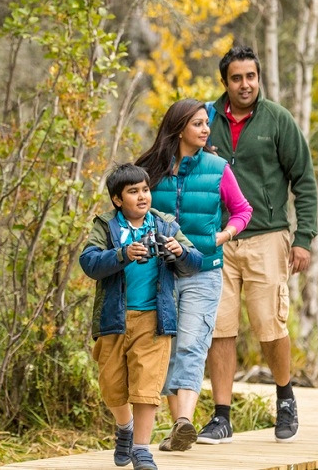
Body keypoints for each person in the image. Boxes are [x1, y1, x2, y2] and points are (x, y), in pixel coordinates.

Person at [197, 45, 318, 445]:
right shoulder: (207, 121)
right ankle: (221, 416)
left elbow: (304, 181)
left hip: (267, 236)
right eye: (236, 78)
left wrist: (303, 239)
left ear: (258, 78)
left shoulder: (277, 120)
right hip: (217, 240)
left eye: (251, 76)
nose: (245, 84)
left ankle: (285, 398)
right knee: (220, 328)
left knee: (270, 324)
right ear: (225, 82)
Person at [135, 99, 253, 453]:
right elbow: (131, 207)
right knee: (166, 349)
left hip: (203, 270)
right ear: (179, 127)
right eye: (198, 124)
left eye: (207, 124)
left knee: (192, 345)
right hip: (159, 272)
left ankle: (183, 421)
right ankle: (178, 427)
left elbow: (243, 210)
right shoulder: (149, 168)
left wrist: (224, 235)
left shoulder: (218, 168)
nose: (206, 130)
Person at [80, 163, 202, 470]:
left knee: (147, 387)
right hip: (115, 319)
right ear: (118, 200)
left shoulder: (165, 225)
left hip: (154, 319)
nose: (142, 196)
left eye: (145, 189)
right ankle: (125, 428)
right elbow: (89, 262)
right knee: (112, 387)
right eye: (133, 192)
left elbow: (194, 263)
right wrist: (122, 254)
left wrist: (180, 252)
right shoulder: (107, 226)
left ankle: (141, 449)